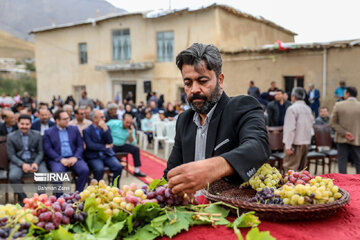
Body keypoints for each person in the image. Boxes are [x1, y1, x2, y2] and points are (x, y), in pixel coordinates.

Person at [163, 43, 269, 194]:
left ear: (220, 80)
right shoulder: (184, 121)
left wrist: (213, 168)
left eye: (203, 81)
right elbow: (171, 172)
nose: (194, 89)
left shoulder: (242, 107)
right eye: (188, 83)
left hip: (229, 212)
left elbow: (258, 146)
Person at [43, 110, 90, 193]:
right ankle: (59, 198)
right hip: (58, 160)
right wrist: (60, 159)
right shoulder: (48, 132)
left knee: (84, 170)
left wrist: (75, 157)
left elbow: (80, 145)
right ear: (57, 120)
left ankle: (78, 194)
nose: (67, 120)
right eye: (64, 119)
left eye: (68, 118)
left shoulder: (74, 129)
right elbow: (48, 149)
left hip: (74, 157)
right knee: (57, 174)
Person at [7, 114, 48, 205]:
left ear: (30, 124)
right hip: (18, 161)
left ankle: (39, 199)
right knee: (13, 176)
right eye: (22, 124)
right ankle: (23, 199)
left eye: (27, 124)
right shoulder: (11, 136)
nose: (24, 126)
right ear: (18, 124)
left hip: (35, 160)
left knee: (44, 175)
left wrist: (36, 163)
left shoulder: (37, 135)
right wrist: (22, 164)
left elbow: (41, 152)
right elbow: (11, 155)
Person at [83, 110, 122, 185]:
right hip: (94, 156)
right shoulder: (87, 130)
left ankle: (115, 188)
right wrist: (104, 146)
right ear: (94, 119)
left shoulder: (106, 128)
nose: (104, 119)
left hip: (107, 154)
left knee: (118, 167)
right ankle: (98, 190)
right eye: (102, 117)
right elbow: (90, 146)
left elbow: (110, 141)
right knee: (99, 169)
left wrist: (106, 129)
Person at [282, 87, 314, 172]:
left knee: (290, 170)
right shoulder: (308, 109)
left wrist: (288, 145)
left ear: (293, 96)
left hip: (294, 144)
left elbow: (290, 128)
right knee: (301, 171)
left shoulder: (292, 109)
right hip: (305, 143)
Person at [330, 86, 360, 174]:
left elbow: (332, 123)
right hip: (357, 138)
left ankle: (343, 183)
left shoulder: (339, 105)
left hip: (341, 138)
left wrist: (345, 133)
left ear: (348, 93)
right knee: (358, 161)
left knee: (342, 161)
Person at [107, 113, 146, 177]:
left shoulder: (131, 128)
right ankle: (112, 170)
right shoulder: (113, 123)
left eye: (130, 123)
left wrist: (130, 134)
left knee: (136, 149)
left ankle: (136, 170)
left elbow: (133, 142)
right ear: (122, 120)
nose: (128, 124)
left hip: (122, 145)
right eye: (127, 122)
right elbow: (103, 128)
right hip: (112, 145)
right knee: (108, 151)